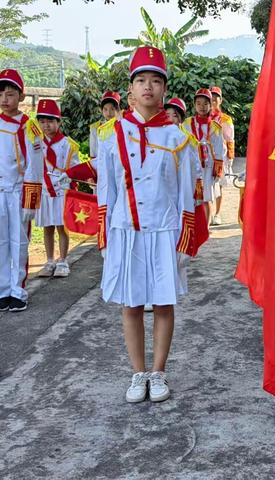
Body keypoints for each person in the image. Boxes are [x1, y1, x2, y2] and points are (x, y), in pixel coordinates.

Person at [97, 46, 198, 403]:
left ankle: (159, 372)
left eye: (156, 80)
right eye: (141, 80)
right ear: (130, 90)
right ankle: (137, 373)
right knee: (132, 304)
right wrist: (104, 234)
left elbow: (187, 194)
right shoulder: (112, 135)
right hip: (126, 230)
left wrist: (186, 239)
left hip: (165, 230)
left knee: (165, 303)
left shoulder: (179, 138)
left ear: (165, 91)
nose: (149, 87)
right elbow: (105, 188)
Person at [0, 69, 43, 312]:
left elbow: (35, 165)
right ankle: (3, 289)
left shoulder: (29, 127)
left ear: (21, 96)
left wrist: (30, 200)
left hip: (17, 192)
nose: (5, 99)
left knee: (18, 241)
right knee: (1, 241)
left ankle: (17, 290)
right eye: (1, 95)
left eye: (10, 94)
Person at [35, 99, 80, 278]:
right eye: (42, 121)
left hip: (61, 191)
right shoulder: (36, 143)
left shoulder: (69, 144)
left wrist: (68, 175)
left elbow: (74, 166)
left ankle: (63, 260)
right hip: (45, 191)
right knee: (47, 227)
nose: (46, 125)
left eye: (50, 121)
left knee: (62, 226)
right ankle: (49, 260)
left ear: (59, 122)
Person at [183, 88, 223, 226]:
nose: (202, 107)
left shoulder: (215, 127)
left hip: (207, 166)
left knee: (206, 197)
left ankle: (205, 226)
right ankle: (192, 226)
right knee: (191, 196)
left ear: (210, 105)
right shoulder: (186, 124)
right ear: (194, 105)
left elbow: (218, 149)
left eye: (205, 103)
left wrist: (217, 169)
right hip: (191, 166)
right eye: (198, 103)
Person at [210, 86, 235, 225]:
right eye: (211, 98)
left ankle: (217, 214)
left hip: (221, 156)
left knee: (219, 185)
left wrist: (230, 157)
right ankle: (208, 212)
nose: (213, 100)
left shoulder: (225, 119)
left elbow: (230, 138)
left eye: (215, 98)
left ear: (221, 100)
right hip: (205, 156)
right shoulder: (203, 117)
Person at [90, 91, 121, 159]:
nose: (108, 113)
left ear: (117, 110)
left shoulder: (123, 126)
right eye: (105, 109)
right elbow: (93, 153)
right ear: (101, 110)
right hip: (102, 165)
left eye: (112, 109)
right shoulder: (95, 128)